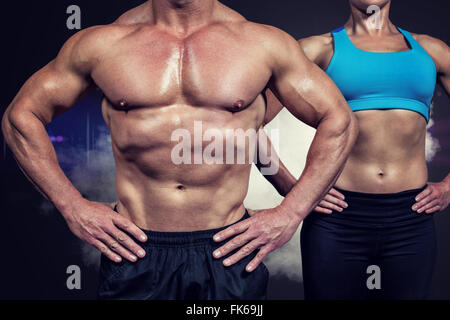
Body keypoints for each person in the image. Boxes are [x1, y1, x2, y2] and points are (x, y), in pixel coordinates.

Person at [1, 0, 357, 300]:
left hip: (230, 251)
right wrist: (71, 206)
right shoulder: (103, 43)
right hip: (134, 249)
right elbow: (21, 116)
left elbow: (338, 121)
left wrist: (290, 214)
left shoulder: (262, 44)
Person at [265, 0, 450, 299]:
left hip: (410, 219)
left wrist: (449, 187)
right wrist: (289, 186)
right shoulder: (316, 50)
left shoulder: (432, 51)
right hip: (337, 219)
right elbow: (247, 125)